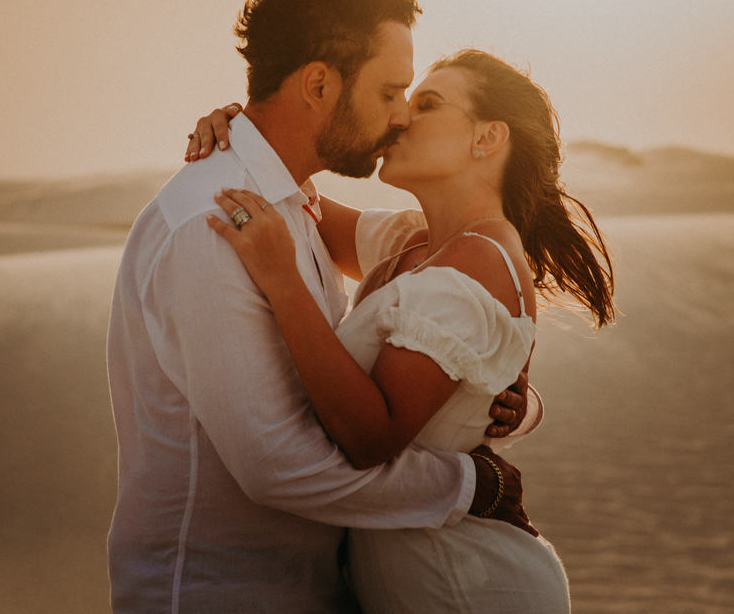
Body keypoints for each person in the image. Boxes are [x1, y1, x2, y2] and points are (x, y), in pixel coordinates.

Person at [106, 0, 536, 613]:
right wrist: (469, 485)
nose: (400, 116)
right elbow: (279, 466)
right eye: (390, 93)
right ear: (317, 86)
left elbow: (457, 309)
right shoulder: (217, 222)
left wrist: (510, 401)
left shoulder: (289, 206)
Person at [194, 49, 615, 611]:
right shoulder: (415, 243)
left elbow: (371, 437)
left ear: (487, 138)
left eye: (428, 104)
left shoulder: (479, 263)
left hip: (468, 587)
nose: (398, 119)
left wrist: (284, 284)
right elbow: (293, 195)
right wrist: (244, 136)